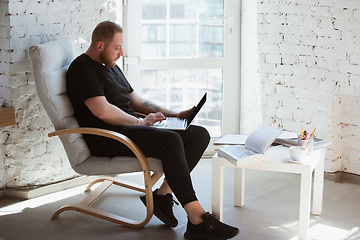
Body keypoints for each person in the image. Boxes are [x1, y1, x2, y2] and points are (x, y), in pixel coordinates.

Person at [66, 20, 239, 240]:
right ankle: (197, 219)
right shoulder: (82, 69)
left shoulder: (110, 65)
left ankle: (163, 193)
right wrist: (140, 123)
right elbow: (103, 111)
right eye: (117, 47)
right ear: (100, 45)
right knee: (171, 141)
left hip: (129, 128)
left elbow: (136, 101)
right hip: (110, 137)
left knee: (199, 134)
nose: (121, 53)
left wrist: (175, 115)